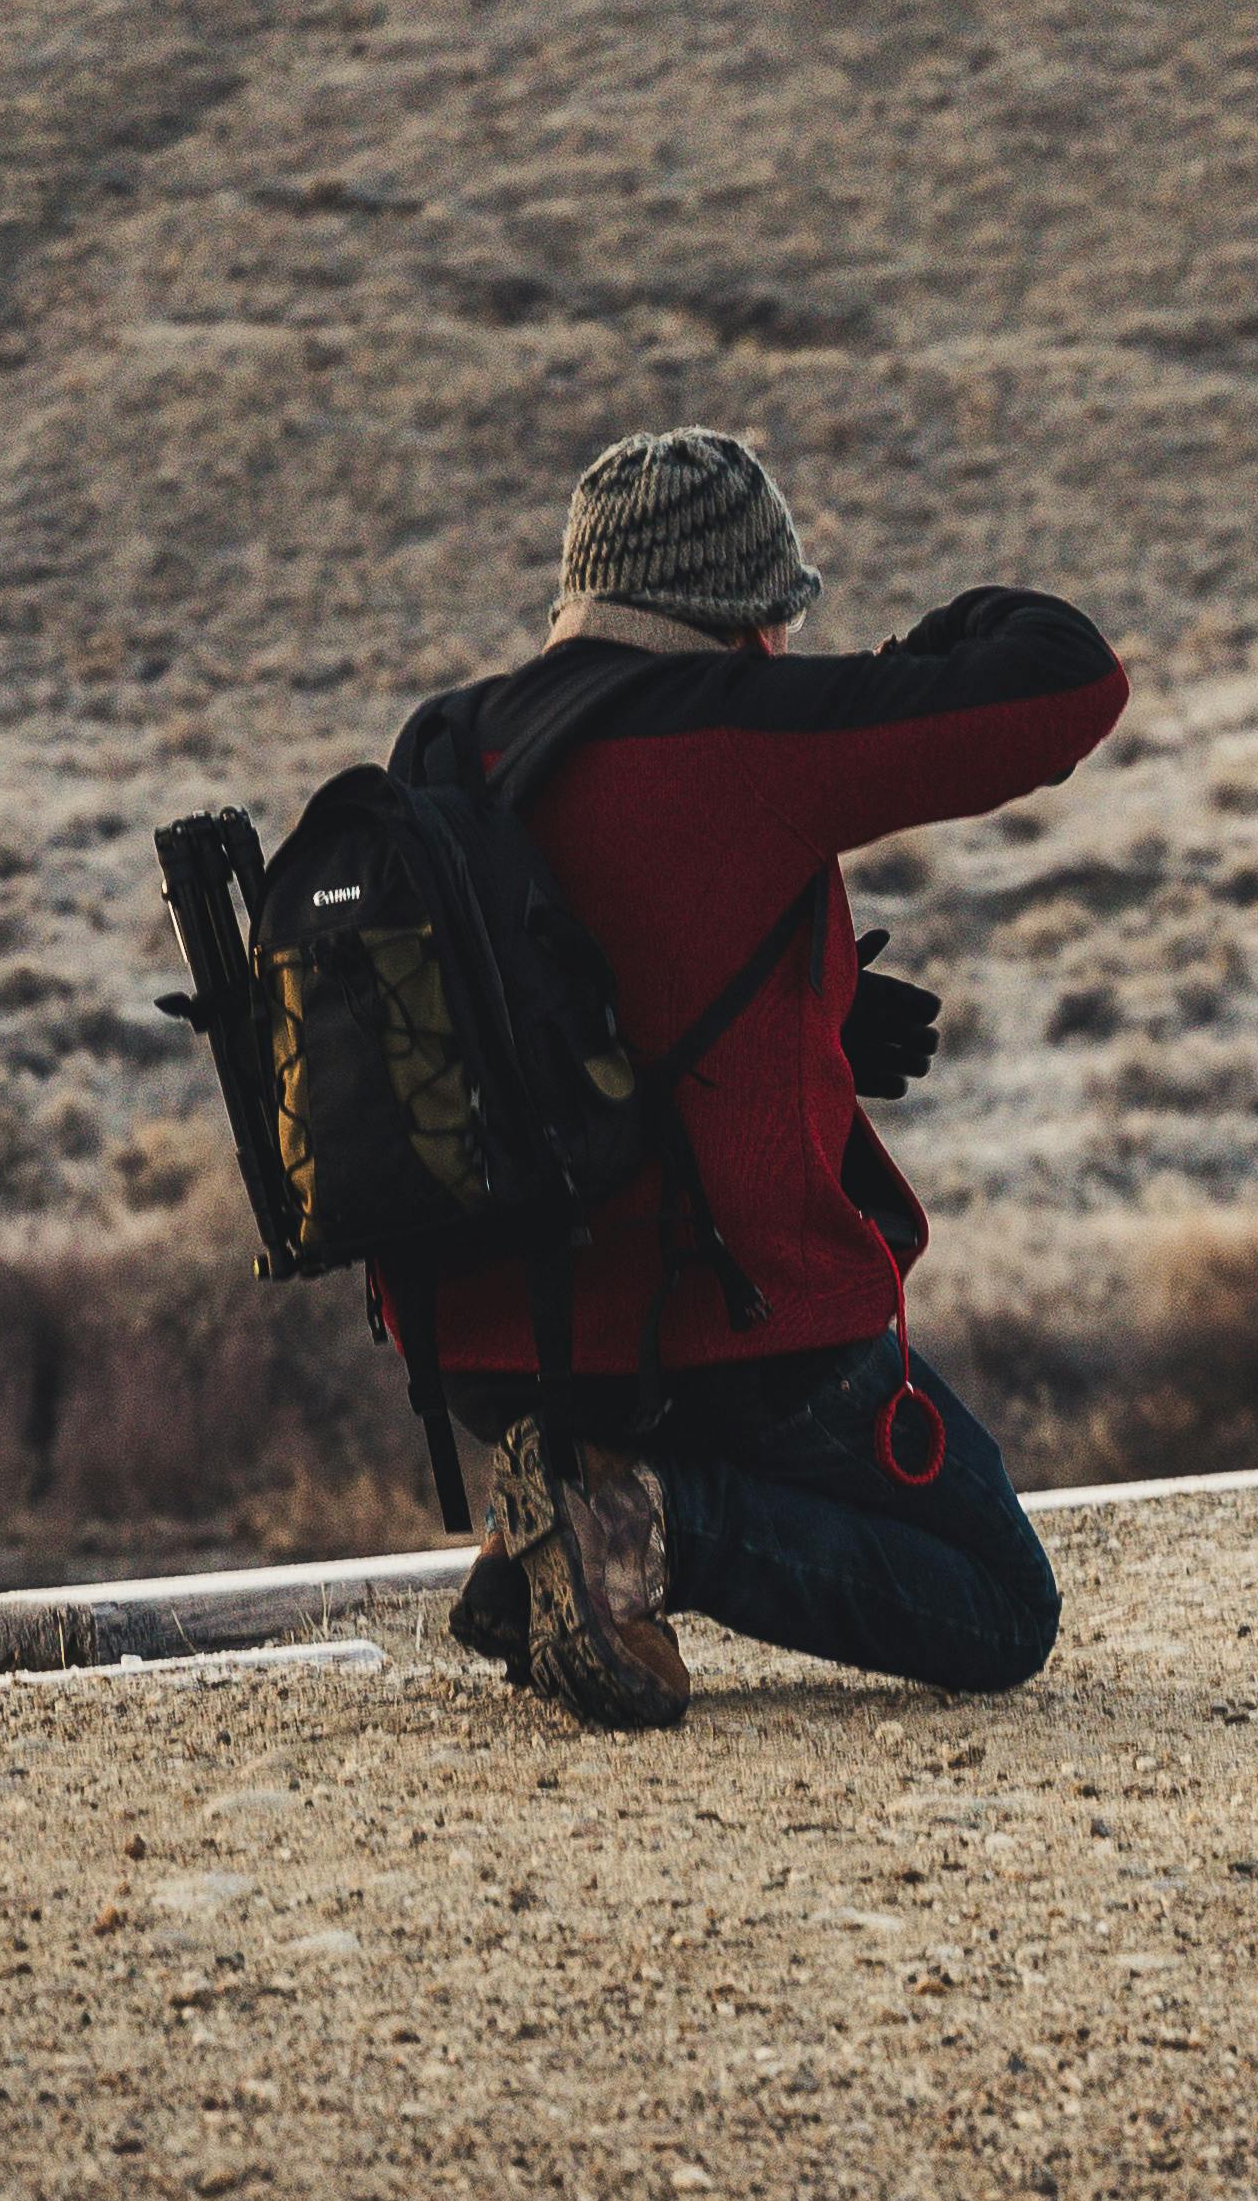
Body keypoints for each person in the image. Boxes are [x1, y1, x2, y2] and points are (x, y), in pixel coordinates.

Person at [407, 427, 1125, 1731]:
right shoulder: (745, 725)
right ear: (744, 616)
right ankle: (639, 1523)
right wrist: (923, 643)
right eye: (784, 618)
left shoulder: (454, 744)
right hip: (716, 1340)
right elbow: (1068, 682)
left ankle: (548, 1531)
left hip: (488, 1348)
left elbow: (584, 991)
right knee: (997, 1605)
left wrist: (825, 1022)